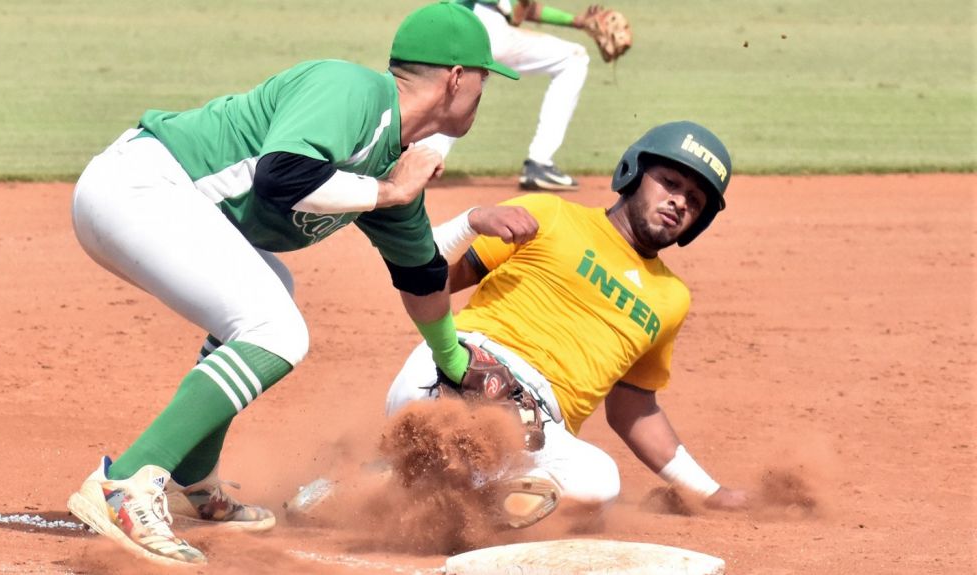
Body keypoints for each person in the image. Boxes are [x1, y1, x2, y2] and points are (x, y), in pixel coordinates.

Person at [64, 2, 521, 567]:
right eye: (484, 79)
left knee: (270, 290)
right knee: (276, 329)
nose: (484, 91)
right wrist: (387, 193)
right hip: (138, 187)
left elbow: (421, 271)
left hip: (156, 204)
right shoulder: (351, 90)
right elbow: (283, 175)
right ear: (456, 78)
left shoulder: (394, 161)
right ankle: (126, 484)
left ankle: (190, 478)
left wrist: (453, 360)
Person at [386, 120, 751, 529]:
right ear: (632, 173)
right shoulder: (551, 215)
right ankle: (430, 477)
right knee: (460, 432)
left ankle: (403, 485)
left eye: (695, 201)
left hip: (534, 431)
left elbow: (635, 409)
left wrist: (710, 492)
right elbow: (431, 276)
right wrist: (471, 222)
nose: (679, 201)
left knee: (600, 479)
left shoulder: (670, 298)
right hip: (459, 366)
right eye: (669, 182)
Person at [419, 0, 597, 191]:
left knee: (460, 97)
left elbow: (520, 8)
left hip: (458, 26)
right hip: (485, 24)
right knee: (574, 59)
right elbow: (519, 8)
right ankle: (540, 162)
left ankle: (420, 161)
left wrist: (576, 21)